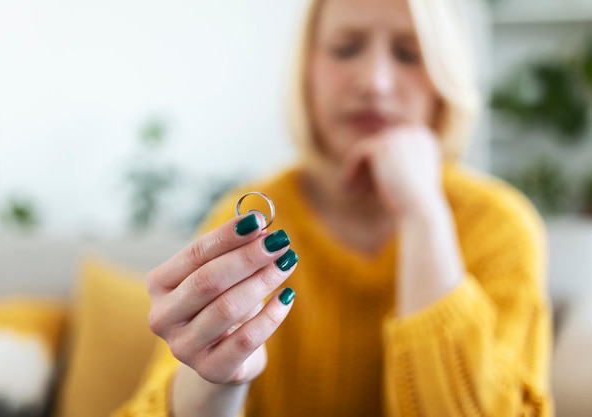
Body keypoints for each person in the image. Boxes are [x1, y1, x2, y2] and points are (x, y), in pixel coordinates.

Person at [114, 0, 553, 415]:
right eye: (346, 49)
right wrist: (218, 377)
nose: (374, 82)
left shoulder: (499, 225)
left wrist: (422, 212)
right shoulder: (248, 217)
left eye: (408, 53)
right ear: (307, 70)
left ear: (445, 82)